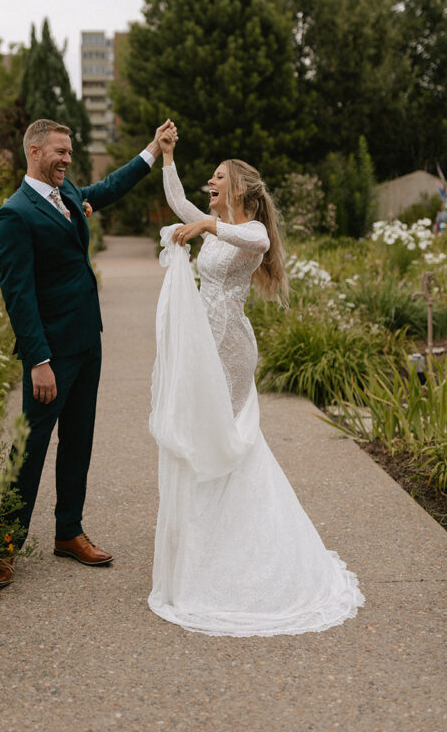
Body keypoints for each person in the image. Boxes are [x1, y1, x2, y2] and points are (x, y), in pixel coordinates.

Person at [148, 131, 364, 635]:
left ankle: (246, 543)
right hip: (205, 344)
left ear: (239, 188)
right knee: (202, 433)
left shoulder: (251, 233)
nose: (210, 183)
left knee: (229, 438)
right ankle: (209, 542)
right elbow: (178, 200)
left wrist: (207, 225)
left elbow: (254, 239)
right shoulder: (214, 223)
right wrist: (169, 156)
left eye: (218, 178)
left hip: (231, 350)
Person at [0, 117, 176, 588]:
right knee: (30, 449)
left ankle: (68, 532)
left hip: (88, 342)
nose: (67, 159)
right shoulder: (15, 214)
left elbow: (108, 188)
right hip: (50, 353)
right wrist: (39, 360)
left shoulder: (68, 194)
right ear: (33, 151)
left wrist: (152, 149)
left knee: (79, 442)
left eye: (69, 152)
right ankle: (4, 546)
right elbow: (19, 295)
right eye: (59, 152)